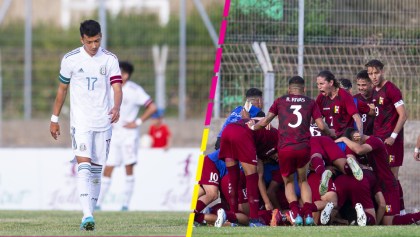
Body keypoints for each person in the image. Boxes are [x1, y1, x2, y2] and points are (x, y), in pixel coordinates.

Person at [49, 19, 122, 231]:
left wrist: (116, 107)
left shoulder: (109, 60)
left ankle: (89, 216)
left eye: (97, 41)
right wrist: (54, 119)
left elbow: (117, 88)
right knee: (84, 167)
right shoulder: (70, 59)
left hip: (104, 122)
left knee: (97, 172)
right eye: (90, 42)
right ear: (82, 39)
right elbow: (61, 90)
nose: (94, 46)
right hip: (80, 122)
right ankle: (87, 215)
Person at [248, 76, 335, 226]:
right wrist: (330, 132)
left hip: (285, 148)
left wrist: (251, 127)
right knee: (303, 180)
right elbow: (321, 126)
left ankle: (296, 213)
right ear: (304, 90)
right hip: (303, 147)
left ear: (289, 90)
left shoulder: (280, 101)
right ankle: (308, 215)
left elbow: (265, 121)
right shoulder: (310, 102)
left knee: (288, 182)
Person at [96, 61, 157, 211]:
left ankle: (125, 205)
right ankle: (97, 204)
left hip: (128, 135)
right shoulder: (110, 88)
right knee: (108, 167)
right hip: (113, 134)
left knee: (128, 167)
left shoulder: (135, 90)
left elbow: (152, 107)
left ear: (126, 75)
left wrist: (137, 122)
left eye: (120, 72)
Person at [336, 128, 420, 225]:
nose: (354, 144)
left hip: (388, 185)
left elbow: (359, 150)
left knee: (389, 222)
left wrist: (344, 139)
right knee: (380, 215)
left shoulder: (374, 140)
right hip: (375, 184)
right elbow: (353, 156)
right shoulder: (359, 145)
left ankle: (417, 216)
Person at [365, 59, 408, 214]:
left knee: (392, 177)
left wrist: (393, 136)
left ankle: (399, 212)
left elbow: (403, 115)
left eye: (376, 73)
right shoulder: (374, 90)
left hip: (391, 141)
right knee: (383, 176)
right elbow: (379, 113)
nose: (373, 76)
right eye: (370, 74)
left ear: (382, 71)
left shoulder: (391, 89)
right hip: (379, 140)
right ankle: (396, 211)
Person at [316, 70, 363, 138]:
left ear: (331, 82)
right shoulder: (321, 98)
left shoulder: (344, 95)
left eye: (322, 84)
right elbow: (315, 118)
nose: (319, 87)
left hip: (345, 137)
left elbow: (356, 117)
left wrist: (360, 133)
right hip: (328, 136)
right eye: (317, 84)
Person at [354, 70, 375, 135]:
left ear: (371, 83)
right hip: (358, 137)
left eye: (364, 85)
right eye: (358, 85)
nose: (360, 88)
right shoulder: (354, 99)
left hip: (374, 137)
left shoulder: (378, 98)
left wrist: (376, 111)